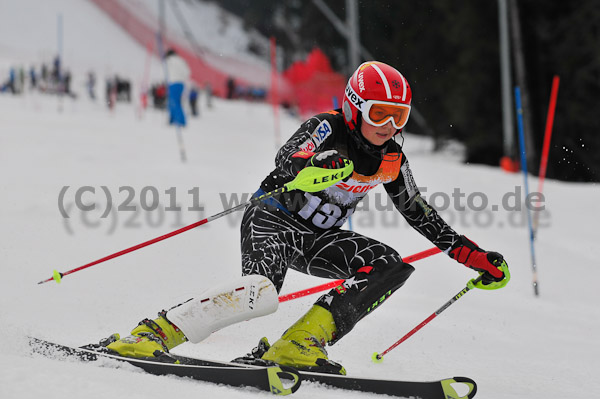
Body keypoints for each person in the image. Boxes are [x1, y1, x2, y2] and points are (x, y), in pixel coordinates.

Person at [104, 61, 510, 375]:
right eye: (379, 114)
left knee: (389, 267)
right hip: (274, 219)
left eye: (398, 117)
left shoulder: (390, 159)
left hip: (317, 239)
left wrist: (472, 257)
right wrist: (316, 164)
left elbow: (418, 213)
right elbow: (287, 159)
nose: (388, 126)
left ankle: (298, 344)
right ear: (355, 108)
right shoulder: (327, 128)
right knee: (261, 293)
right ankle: (151, 333)